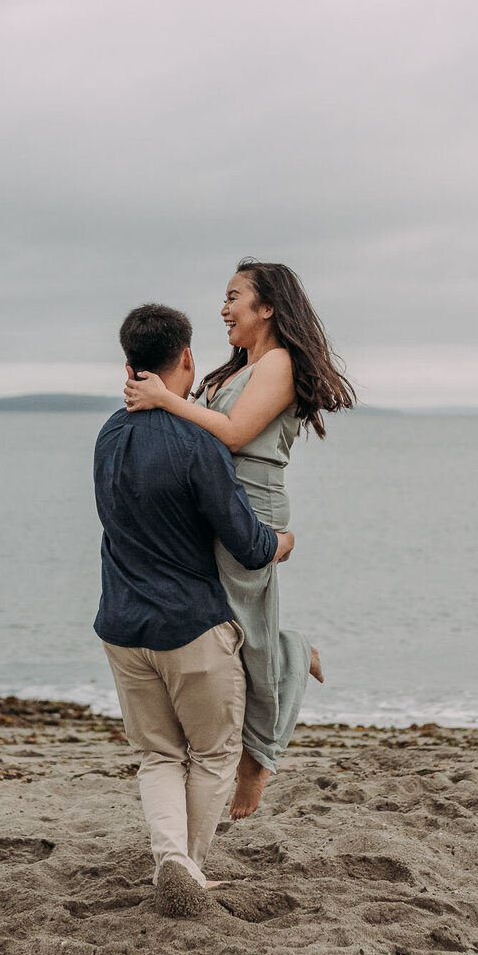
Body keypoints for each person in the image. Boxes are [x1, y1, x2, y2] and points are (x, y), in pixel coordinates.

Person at [123, 258, 354, 819]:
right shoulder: (231, 372)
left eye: (233, 298)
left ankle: (260, 758)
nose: (223, 310)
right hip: (214, 505)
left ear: (267, 308)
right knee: (224, 631)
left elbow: (232, 433)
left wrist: (166, 400)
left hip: (252, 508)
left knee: (248, 640)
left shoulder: (278, 364)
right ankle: (290, 653)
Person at [93, 301, 295, 916]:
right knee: (211, 754)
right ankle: (187, 866)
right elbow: (249, 544)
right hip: (190, 628)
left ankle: (170, 859)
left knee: (158, 754)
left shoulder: (108, 434)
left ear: (130, 365)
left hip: (123, 626)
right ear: (185, 358)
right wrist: (284, 542)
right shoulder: (196, 442)